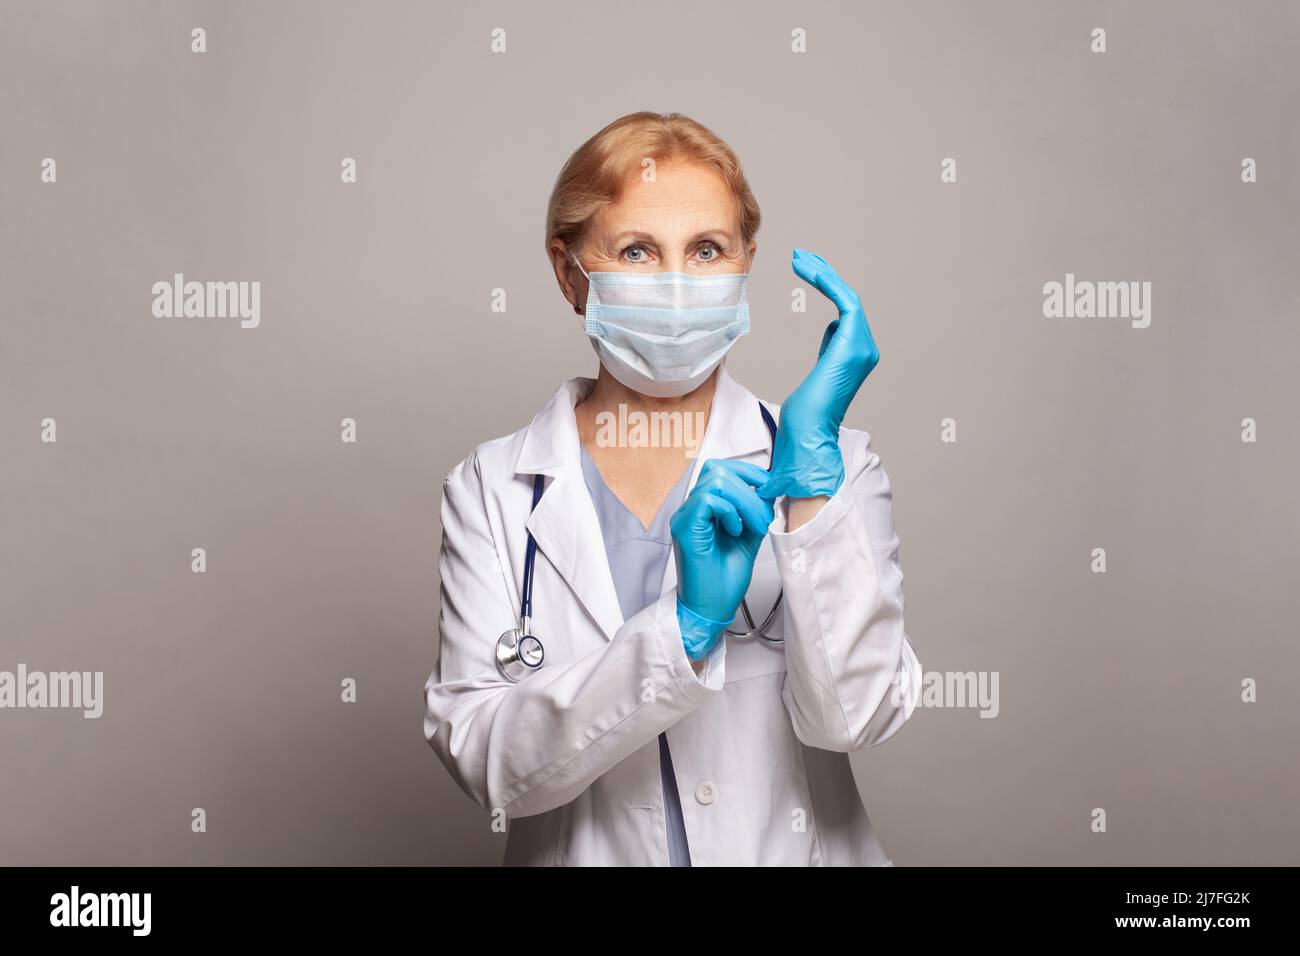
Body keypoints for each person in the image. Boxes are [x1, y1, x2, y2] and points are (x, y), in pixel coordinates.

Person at [422, 111, 921, 866]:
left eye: (708, 250)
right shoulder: (494, 489)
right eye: (637, 252)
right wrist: (682, 631)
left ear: (746, 260)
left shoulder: (831, 465)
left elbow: (856, 718)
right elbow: (487, 761)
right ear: (570, 274)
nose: (679, 286)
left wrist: (813, 482)